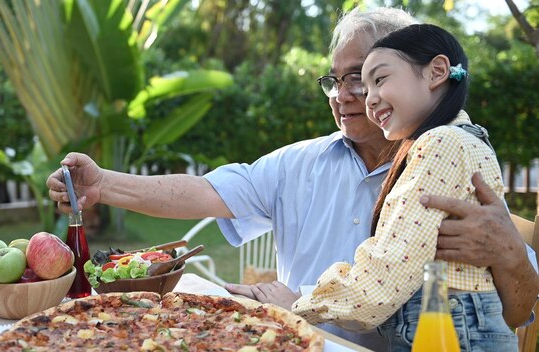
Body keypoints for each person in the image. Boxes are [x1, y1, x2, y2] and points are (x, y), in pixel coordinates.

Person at [46, 8, 538, 349]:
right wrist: (103, 185)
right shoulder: (298, 163)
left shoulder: (453, 165)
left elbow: (520, 313)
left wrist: (511, 254)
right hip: (291, 341)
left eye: (367, 77)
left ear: (426, 74)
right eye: (336, 78)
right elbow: (202, 191)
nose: (348, 95)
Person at [248, 23, 519, 350]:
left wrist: (298, 304)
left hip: (452, 334)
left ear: (436, 72)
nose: (370, 99)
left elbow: (384, 280)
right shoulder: (465, 139)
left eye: (377, 80)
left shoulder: (439, 145)